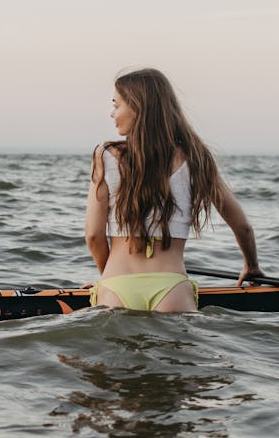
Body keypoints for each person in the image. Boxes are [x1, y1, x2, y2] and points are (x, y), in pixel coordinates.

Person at [85, 68, 261, 313]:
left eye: (117, 105)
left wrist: (107, 278)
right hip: (172, 288)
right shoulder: (196, 157)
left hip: (116, 286)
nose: (112, 113)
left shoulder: (105, 155)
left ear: (138, 107)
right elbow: (242, 226)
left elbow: (93, 236)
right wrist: (251, 266)